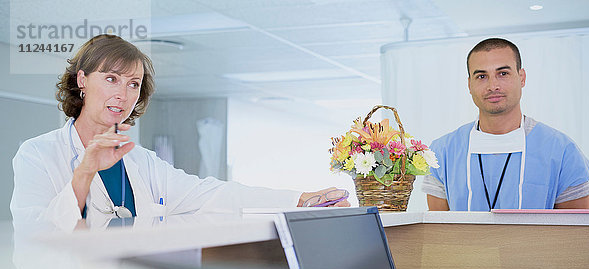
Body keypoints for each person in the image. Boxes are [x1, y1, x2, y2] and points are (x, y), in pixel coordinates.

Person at [10, 34, 349, 232]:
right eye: (111, 78)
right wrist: (84, 171)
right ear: (83, 80)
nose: (122, 94)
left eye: (133, 84)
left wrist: (297, 200)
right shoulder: (37, 154)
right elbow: (34, 238)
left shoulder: (142, 162)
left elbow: (212, 195)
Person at [422, 38, 589, 211]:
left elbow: (574, 232)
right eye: (482, 76)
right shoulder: (442, 152)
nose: (493, 86)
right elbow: (438, 231)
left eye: (503, 73)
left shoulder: (562, 150)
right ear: (469, 84)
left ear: (522, 78)